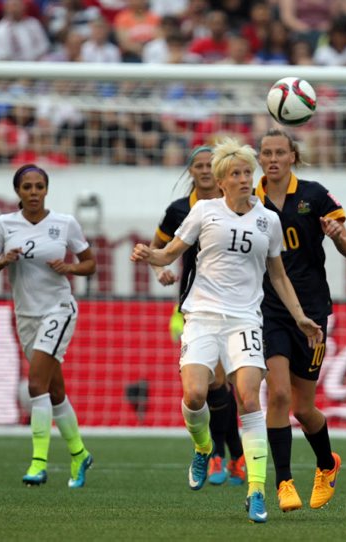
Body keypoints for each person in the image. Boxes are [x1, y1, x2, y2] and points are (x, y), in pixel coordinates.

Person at [131, 137, 323, 523]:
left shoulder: (267, 219)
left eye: (245, 173)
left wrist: (299, 315)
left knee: (250, 399)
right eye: (234, 174)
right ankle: (203, 448)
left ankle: (256, 492)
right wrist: (150, 256)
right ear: (221, 181)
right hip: (201, 316)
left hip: (245, 320)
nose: (242, 179)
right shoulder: (204, 212)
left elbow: (278, 276)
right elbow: (170, 252)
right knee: (195, 393)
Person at [256, 129, 346, 512]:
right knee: (278, 394)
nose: (274, 159)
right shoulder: (252, 200)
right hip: (270, 310)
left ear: (293, 156)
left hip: (312, 311)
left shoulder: (314, 196)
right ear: (260, 158)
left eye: (280, 152)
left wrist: (336, 235)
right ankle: (283, 482)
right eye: (267, 153)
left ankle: (327, 464)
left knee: (303, 407)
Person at [0, 163, 96, 488]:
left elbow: (90, 262)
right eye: (27, 187)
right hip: (26, 316)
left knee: (35, 385)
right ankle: (80, 454)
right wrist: (2, 260)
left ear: (47, 189)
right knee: (55, 390)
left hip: (58, 309)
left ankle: (38, 463)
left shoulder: (65, 223)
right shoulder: (4, 225)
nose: (33, 193)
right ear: (17, 191)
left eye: (39, 186)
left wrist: (70, 267)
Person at [150, 146, 246, 487]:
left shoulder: (235, 204)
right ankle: (223, 454)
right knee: (212, 386)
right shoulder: (180, 210)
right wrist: (158, 267)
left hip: (236, 307)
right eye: (199, 166)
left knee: (227, 385)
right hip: (196, 306)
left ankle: (227, 456)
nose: (205, 171)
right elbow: (158, 248)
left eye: (210, 165)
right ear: (190, 171)